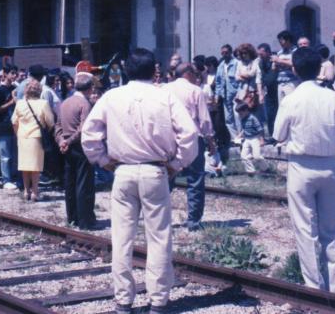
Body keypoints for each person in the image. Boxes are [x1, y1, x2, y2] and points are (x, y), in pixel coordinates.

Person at [81, 48, 198, 314]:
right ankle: (158, 301)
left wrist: (102, 159)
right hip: (155, 171)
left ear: (125, 70)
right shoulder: (165, 96)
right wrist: (177, 163)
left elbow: (89, 133)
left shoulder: (112, 97)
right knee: (159, 237)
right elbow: (189, 134)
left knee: (121, 238)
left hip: (122, 171)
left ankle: (123, 300)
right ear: (154, 70)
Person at [272, 47, 335, 293]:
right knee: (331, 228)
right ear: (319, 69)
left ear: (294, 69)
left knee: (305, 229)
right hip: (330, 165)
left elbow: (278, 135)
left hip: (301, 166)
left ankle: (314, 288)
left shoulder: (291, 99)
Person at [166, 62, 215, 231]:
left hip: (169, 139)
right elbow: (205, 120)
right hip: (193, 138)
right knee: (195, 179)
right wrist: (211, 142)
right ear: (188, 73)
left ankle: (160, 218)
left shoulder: (164, 89)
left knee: (167, 177)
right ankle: (193, 220)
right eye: (195, 73)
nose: (198, 77)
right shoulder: (196, 91)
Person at [55, 72, 96, 229]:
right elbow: (83, 128)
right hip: (79, 146)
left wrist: (61, 141)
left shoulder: (65, 102)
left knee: (70, 182)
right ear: (90, 88)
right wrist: (69, 141)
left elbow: (57, 125)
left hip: (66, 148)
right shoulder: (85, 104)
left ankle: (72, 217)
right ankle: (85, 220)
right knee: (84, 183)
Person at [12, 80, 54, 201]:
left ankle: (26, 191)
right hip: (36, 137)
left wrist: (18, 134)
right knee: (35, 167)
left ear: (26, 90)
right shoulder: (43, 104)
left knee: (25, 166)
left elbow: (14, 122)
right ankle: (35, 192)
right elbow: (51, 122)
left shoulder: (20, 103)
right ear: (39, 90)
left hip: (22, 137)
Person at [0, 64, 19, 190]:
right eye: (12, 73)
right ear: (5, 74)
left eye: (15, 73)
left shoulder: (15, 88)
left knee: (14, 154)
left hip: (15, 125)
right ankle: (6, 179)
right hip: (3, 125)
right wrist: (11, 102)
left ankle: (14, 177)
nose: (15, 75)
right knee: (5, 155)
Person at [215, 44, 239, 139]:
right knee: (228, 119)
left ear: (230, 52)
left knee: (237, 116)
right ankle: (235, 138)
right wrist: (217, 95)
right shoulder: (221, 66)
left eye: (226, 52)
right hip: (225, 95)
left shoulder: (237, 63)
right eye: (222, 53)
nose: (224, 55)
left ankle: (242, 137)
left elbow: (240, 80)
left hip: (236, 95)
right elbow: (218, 81)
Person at [235, 102, 264, 175]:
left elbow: (260, 129)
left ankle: (265, 168)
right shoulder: (242, 119)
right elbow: (244, 129)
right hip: (247, 139)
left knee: (257, 156)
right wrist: (239, 135)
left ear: (246, 110)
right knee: (243, 156)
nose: (239, 115)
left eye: (241, 113)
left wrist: (261, 140)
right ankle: (251, 171)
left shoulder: (253, 118)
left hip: (255, 138)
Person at [234, 43, 264, 110]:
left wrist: (241, 75)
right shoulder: (240, 63)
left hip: (252, 91)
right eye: (242, 53)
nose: (244, 55)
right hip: (242, 92)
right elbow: (236, 77)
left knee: (253, 110)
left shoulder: (255, 62)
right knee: (242, 111)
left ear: (250, 52)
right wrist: (243, 77)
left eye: (245, 53)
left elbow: (251, 74)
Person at [258, 43, 279, 137]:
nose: (260, 56)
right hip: (268, 92)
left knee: (279, 114)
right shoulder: (261, 63)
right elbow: (261, 78)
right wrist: (261, 93)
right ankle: (272, 135)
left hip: (277, 91)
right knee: (270, 115)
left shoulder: (276, 59)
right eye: (259, 54)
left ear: (268, 52)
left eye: (261, 54)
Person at [272, 30, 298, 103]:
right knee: (282, 106)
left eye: (282, 40)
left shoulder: (295, 51)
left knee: (291, 104)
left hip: (291, 82)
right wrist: (275, 64)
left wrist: (280, 61)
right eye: (279, 40)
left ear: (288, 40)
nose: (280, 42)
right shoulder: (279, 53)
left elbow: (295, 63)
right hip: (280, 83)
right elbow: (274, 69)